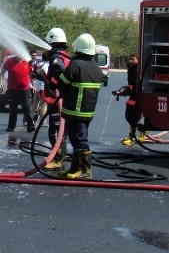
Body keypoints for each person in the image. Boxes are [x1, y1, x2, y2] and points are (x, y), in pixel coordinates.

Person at [58, 33, 105, 179]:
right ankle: (75, 168)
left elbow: (62, 83)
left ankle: (84, 170)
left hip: (75, 111)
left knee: (78, 140)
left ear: (78, 48)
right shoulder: (97, 68)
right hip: (88, 112)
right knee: (78, 139)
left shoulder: (75, 65)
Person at [40, 27, 72, 171]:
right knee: (60, 130)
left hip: (58, 100)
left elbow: (56, 82)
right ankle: (58, 156)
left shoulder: (57, 60)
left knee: (56, 130)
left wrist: (41, 77)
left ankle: (58, 159)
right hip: (62, 100)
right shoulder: (64, 56)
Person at [114, 53, 148, 146]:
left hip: (138, 96)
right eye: (130, 59)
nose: (130, 61)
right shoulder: (131, 69)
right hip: (134, 95)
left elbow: (135, 86)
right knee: (132, 114)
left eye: (133, 59)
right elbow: (131, 86)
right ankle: (136, 135)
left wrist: (125, 92)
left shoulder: (137, 70)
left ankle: (133, 137)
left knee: (134, 115)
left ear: (138, 60)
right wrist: (121, 91)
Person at [1, 53, 35, 141]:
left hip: (25, 90)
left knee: (27, 108)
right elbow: (3, 71)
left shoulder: (27, 62)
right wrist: (2, 82)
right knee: (13, 109)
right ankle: (11, 127)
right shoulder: (9, 61)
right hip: (12, 90)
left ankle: (30, 126)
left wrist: (33, 85)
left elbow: (33, 74)